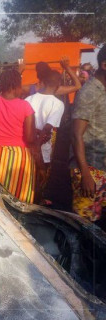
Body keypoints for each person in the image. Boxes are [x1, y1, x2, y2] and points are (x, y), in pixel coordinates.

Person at [0, 69, 37, 204]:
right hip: (19, 157)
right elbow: (30, 138)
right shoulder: (25, 106)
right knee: (19, 197)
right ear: (16, 86)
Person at [71, 46, 106, 225]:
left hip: (102, 166)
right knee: (85, 227)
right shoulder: (89, 92)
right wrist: (85, 173)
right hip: (90, 170)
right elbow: (76, 135)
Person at [25, 70, 65, 203]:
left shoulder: (28, 99)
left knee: (27, 176)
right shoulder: (57, 104)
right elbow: (47, 128)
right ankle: (37, 201)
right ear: (58, 84)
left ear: (44, 82)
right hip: (42, 148)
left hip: (26, 145)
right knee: (41, 176)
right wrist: (37, 147)